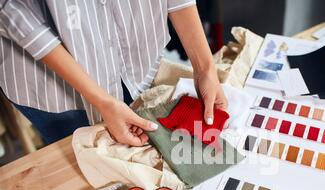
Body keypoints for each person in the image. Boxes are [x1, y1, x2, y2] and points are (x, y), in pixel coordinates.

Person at [0, 0, 227, 146]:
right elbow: (10, 10)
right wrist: (103, 101)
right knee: (91, 176)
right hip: (56, 84)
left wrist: (204, 67)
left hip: (137, 57)